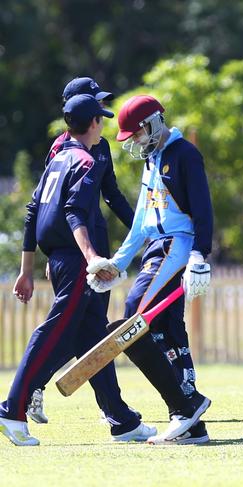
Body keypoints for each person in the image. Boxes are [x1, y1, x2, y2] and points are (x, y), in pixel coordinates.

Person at [0, 94, 155, 446]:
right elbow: (73, 212)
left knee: (91, 337)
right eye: (101, 118)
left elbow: (36, 209)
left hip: (63, 256)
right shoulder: (84, 160)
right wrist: (93, 259)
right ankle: (12, 409)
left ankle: (122, 421)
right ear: (94, 123)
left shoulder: (60, 156)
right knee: (56, 330)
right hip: (76, 259)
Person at [87, 94, 213, 444]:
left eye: (139, 133)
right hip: (156, 248)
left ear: (155, 123)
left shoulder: (184, 154)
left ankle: (186, 406)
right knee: (166, 327)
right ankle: (191, 422)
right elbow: (141, 222)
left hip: (177, 245)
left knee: (134, 319)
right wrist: (118, 263)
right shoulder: (152, 159)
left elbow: (203, 209)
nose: (137, 141)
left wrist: (201, 255)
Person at [27, 76, 136, 426]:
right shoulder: (62, 150)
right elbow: (47, 207)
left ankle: (113, 411)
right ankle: (29, 388)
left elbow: (113, 195)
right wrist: (53, 252)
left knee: (91, 329)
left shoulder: (101, 147)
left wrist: (142, 229)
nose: (101, 113)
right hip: (76, 252)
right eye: (94, 104)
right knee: (77, 329)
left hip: (96, 248)